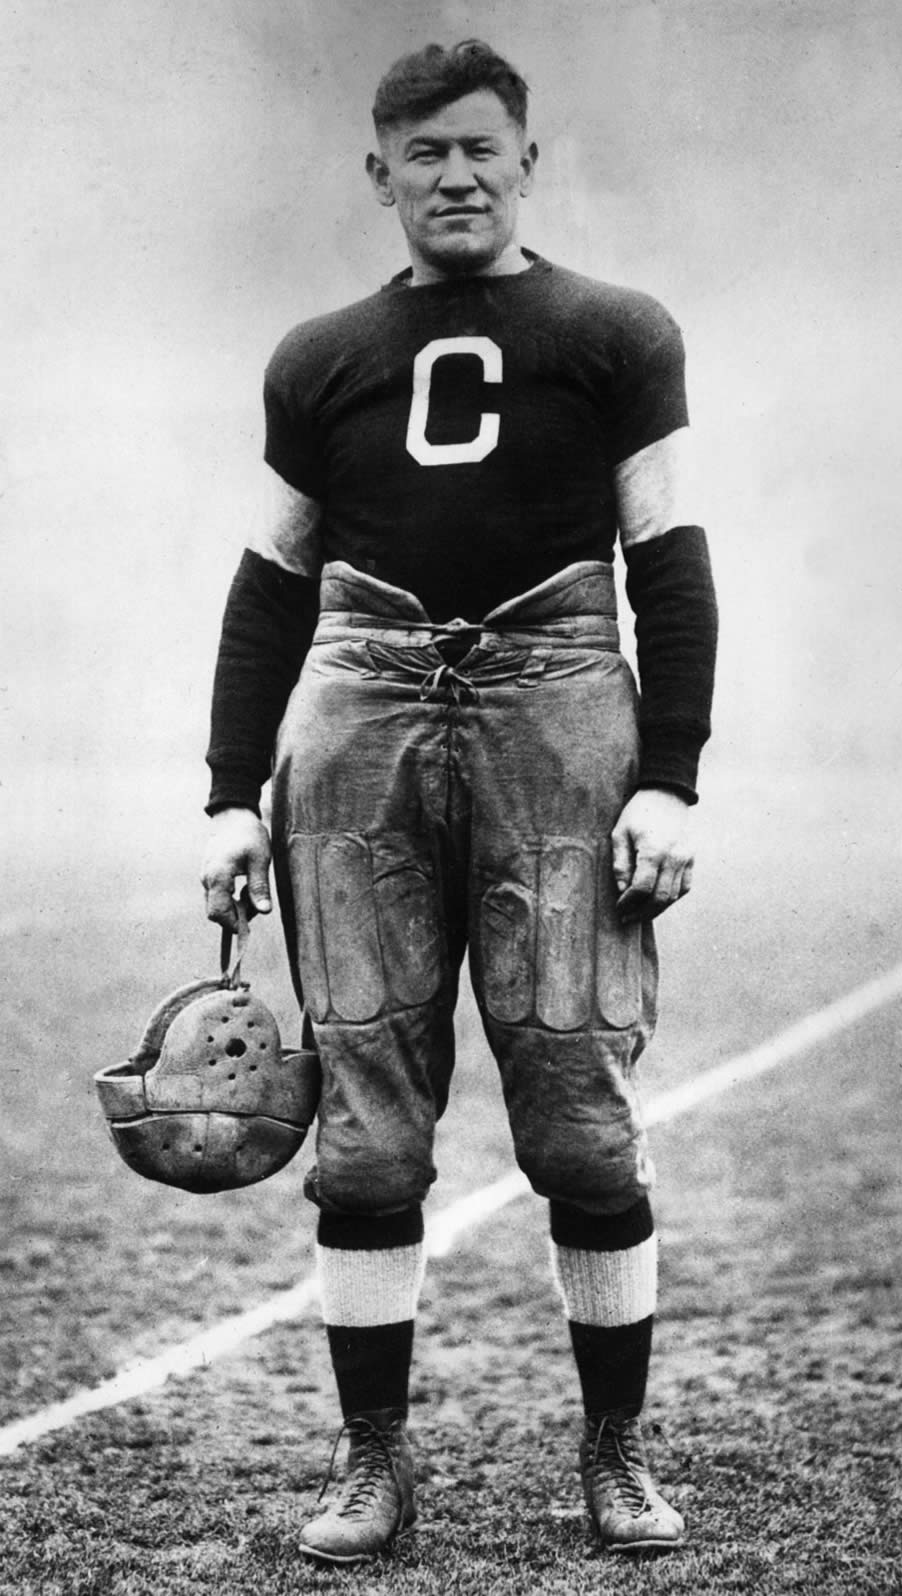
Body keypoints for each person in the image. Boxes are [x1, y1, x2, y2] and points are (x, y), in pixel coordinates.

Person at [201, 39, 717, 1565]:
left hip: (557, 705)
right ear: (380, 173)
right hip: (357, 710)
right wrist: (231, 794)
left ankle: (613, 1454)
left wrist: (673, 777)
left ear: (527, 160)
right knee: (363, 1129)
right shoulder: (319, 355)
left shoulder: (614, 331)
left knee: (575, 1110)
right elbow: (266, 587)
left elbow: (670, 565)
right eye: (424, 154)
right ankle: (373, 1464)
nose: (456, 177)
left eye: (482, 149)